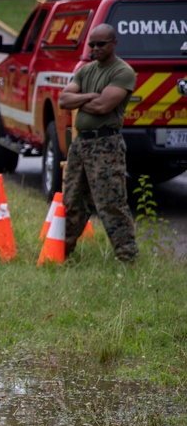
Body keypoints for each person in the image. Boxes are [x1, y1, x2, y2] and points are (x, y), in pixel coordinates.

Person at [58, 23, 139, 263]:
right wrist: (90, 96)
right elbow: (63, 99)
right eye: (92, 44)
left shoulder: (122, 72)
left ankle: (127, 257)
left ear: (114, 44)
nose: (95, 48)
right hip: (81, 144)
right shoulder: (86, 70)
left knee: (110, 202)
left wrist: (79, 100)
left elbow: (103, 106)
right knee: (71, 201)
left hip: (106, 144)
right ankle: (61, 253)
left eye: (101, 44)